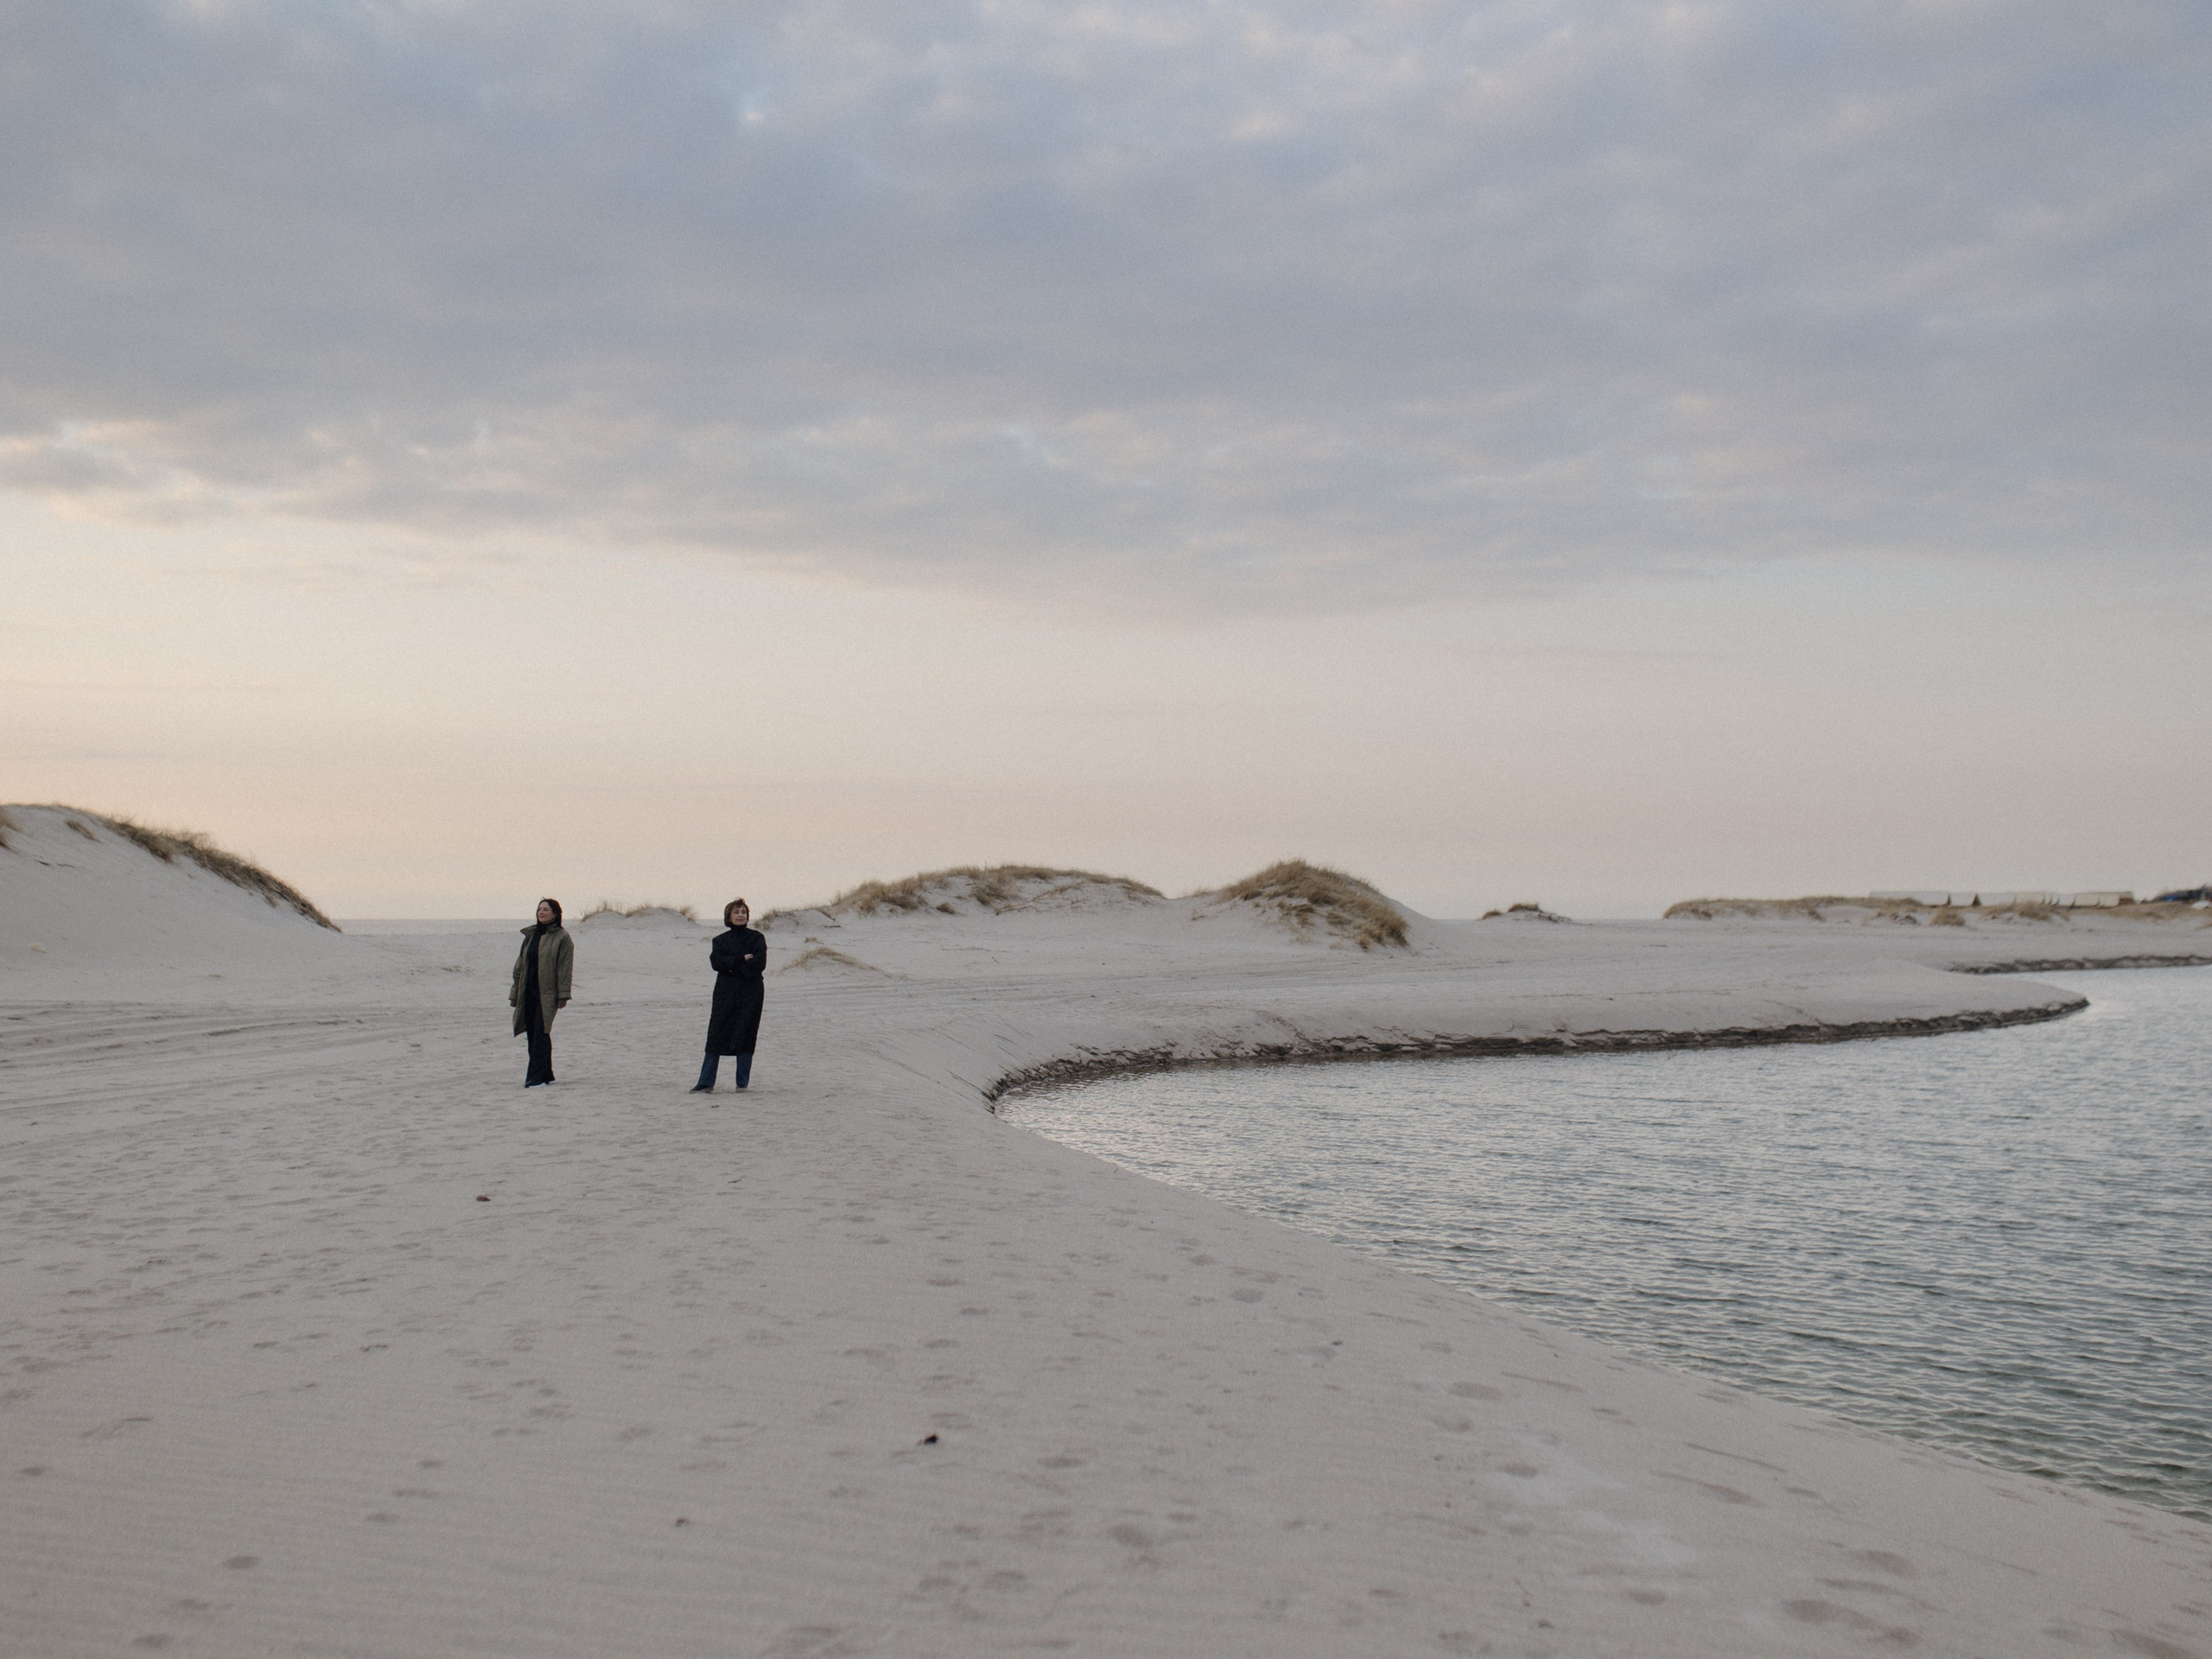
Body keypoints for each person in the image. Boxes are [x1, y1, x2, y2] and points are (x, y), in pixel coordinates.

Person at [694, 898, 766, 1094]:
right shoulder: (720, 941)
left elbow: (759, 964)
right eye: (736, 912)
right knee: (716, 1035)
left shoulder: (757, 938)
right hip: (725, 994)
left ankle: (742, 1084)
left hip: (751, 993)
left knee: (745, 1035)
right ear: (729, 916)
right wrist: (741, 959)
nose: (740, 915)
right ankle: (706, 1082)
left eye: (743, 912)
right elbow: (717, 963)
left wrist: (732, 967)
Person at [510, 898, 574, 1087]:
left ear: (555, 914)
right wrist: (514, 994)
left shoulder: (562, 938)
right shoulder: (531, 936)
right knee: (534, 1033)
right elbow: (519, 967)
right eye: (539, 909)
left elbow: (565, 968)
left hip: (547, 993)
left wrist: (563, 995)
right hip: (527, 991)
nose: (541, 912)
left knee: (541, 1031)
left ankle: (535, 1077)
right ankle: (546, 1074)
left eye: (546, 909)